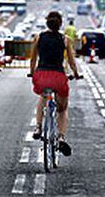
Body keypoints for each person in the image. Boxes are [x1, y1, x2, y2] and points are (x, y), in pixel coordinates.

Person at [30, 11, 79, 157]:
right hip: (58, 77)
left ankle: (38, 127)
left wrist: (32, 72)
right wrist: (75, 73)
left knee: (42, 98)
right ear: (60, 23)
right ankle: (62, 137)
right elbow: (71, 61)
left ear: (47, 22)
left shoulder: (38, 37)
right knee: (62, 109)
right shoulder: (65, 39)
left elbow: (33, 59)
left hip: (41, 76)